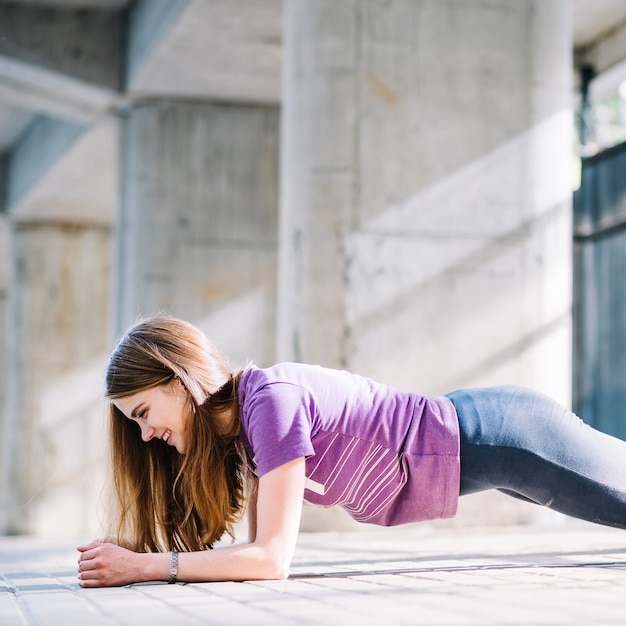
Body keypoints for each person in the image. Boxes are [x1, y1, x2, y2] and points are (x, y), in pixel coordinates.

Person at [77, 316, 626, 587]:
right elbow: (246, 560)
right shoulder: (240, 434)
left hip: (506, 434)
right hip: (491, 448)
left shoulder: (270, 404)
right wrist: (136, 555)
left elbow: (270, 561)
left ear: (178, 380)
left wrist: (147, 568)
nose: (145, 435)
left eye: (144, 414)